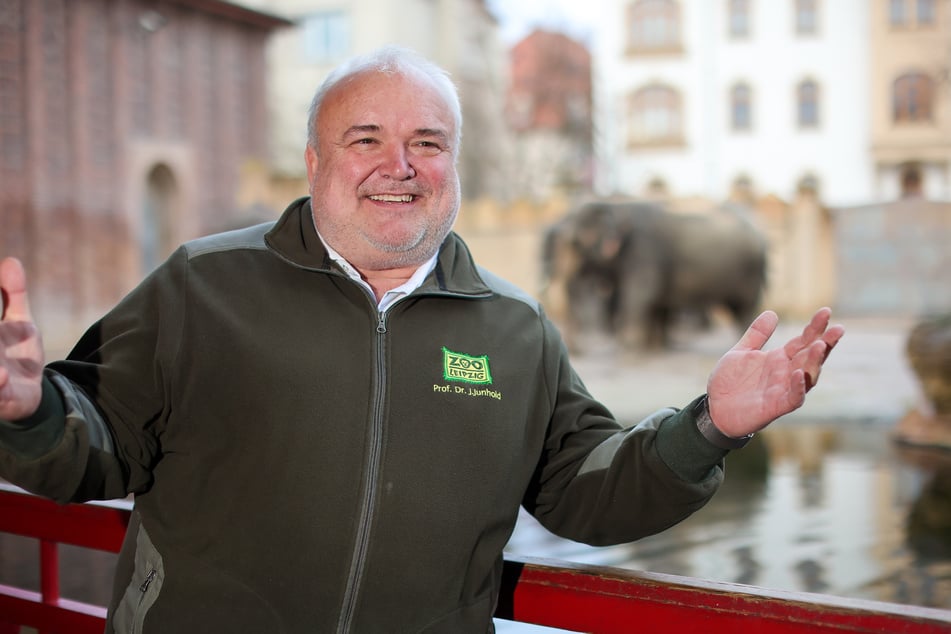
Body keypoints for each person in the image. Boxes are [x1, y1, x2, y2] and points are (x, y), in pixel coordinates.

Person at [0, 45, 844, 633]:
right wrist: (28, 406)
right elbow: (90, 452)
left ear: (455, 166)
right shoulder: (199, 285)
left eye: (426, 143)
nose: (397, 165)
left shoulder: (515, 328)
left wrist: (709, 427)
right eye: (364, 139)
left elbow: (586, 494)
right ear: (314, 161)